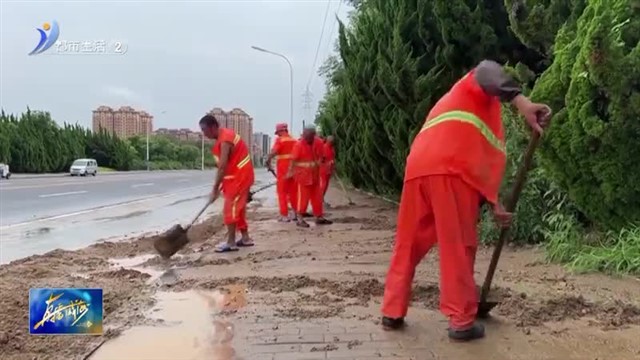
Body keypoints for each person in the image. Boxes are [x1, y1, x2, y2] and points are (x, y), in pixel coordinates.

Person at [380, 60, 552, 341]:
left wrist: (494, 205)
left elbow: (479, 167)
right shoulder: (473, 83)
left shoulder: (461, 107)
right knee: (458, 244)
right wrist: (522, 101)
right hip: (450, 168)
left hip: (419, 169)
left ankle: (392, 311)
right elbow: (486, 69)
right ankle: (461, 319)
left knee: (407, 243)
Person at [199, 114, 256, 252]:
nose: (203, 134)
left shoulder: (225, 139)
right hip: (236, 177)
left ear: (213, 127)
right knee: (239, 208)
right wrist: (219, 186)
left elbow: (223, 166)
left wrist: (214, 189)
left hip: (239, 177)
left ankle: (231, 242)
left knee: (230, 209)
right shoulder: (222, 137)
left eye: (204, 130)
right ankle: (245, 238)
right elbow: (225, 166)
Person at [286, 124, 333, 228]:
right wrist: (290, 172)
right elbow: (293, 160)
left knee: (317, 197)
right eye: (305, 135)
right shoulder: (299, 145)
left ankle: (319, 217)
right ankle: (300, 218)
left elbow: (322, 156)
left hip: (314, 175)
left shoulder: (319, 142)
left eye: (309, 135)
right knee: (303, 198)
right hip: (303, 176)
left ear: (313, 134)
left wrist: (323, 160)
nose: (306, 137)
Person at [266, 123, 297, 222]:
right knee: (293, 192)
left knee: (282, 192)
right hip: (294, 169)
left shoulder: (280, 140)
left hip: (283, 169)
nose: (277, 135)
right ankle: (295, 213)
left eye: (278, 132)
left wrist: (268, 161)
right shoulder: (294, 140)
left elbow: (274, 152)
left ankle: (284, 215)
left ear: (280, 131)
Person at [320, 135, 335, 206]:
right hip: (324, 169)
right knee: (324, 184)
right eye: (331, 142)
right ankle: (320, 199)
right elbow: (322, 159)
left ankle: (321, 199)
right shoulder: (324, 147)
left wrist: (332, 164)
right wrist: (329, 162)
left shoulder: (331, 148)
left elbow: (332, 157)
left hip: (329, 168)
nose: (332, 143)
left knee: (326, 185)